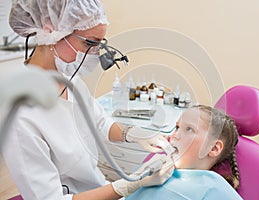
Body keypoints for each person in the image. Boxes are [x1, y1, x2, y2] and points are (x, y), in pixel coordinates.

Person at [1, 1, 174, 200]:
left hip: (95, 187)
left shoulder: (68, 78)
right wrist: (126, 187)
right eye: (89, 43)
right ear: (51, 33)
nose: (95, 54)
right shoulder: (19, 114)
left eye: (99, 45)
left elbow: (100, 122)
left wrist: (137, 135)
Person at [126, 105, 243, 199]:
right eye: (177, 127)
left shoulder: (213, 187)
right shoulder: (153, 169)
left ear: (213, 148)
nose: (174, 136)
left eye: (189, 129)